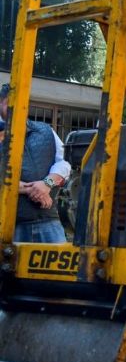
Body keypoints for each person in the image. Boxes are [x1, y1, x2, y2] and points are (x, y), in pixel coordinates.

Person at [0, 83, 70, 243]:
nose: (15, 108)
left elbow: (65, 163)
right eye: (9, 103)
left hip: (48, 221)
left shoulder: (45, 130)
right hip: (7, 225)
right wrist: (33, 189)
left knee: (55, 268)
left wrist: (47, 183)